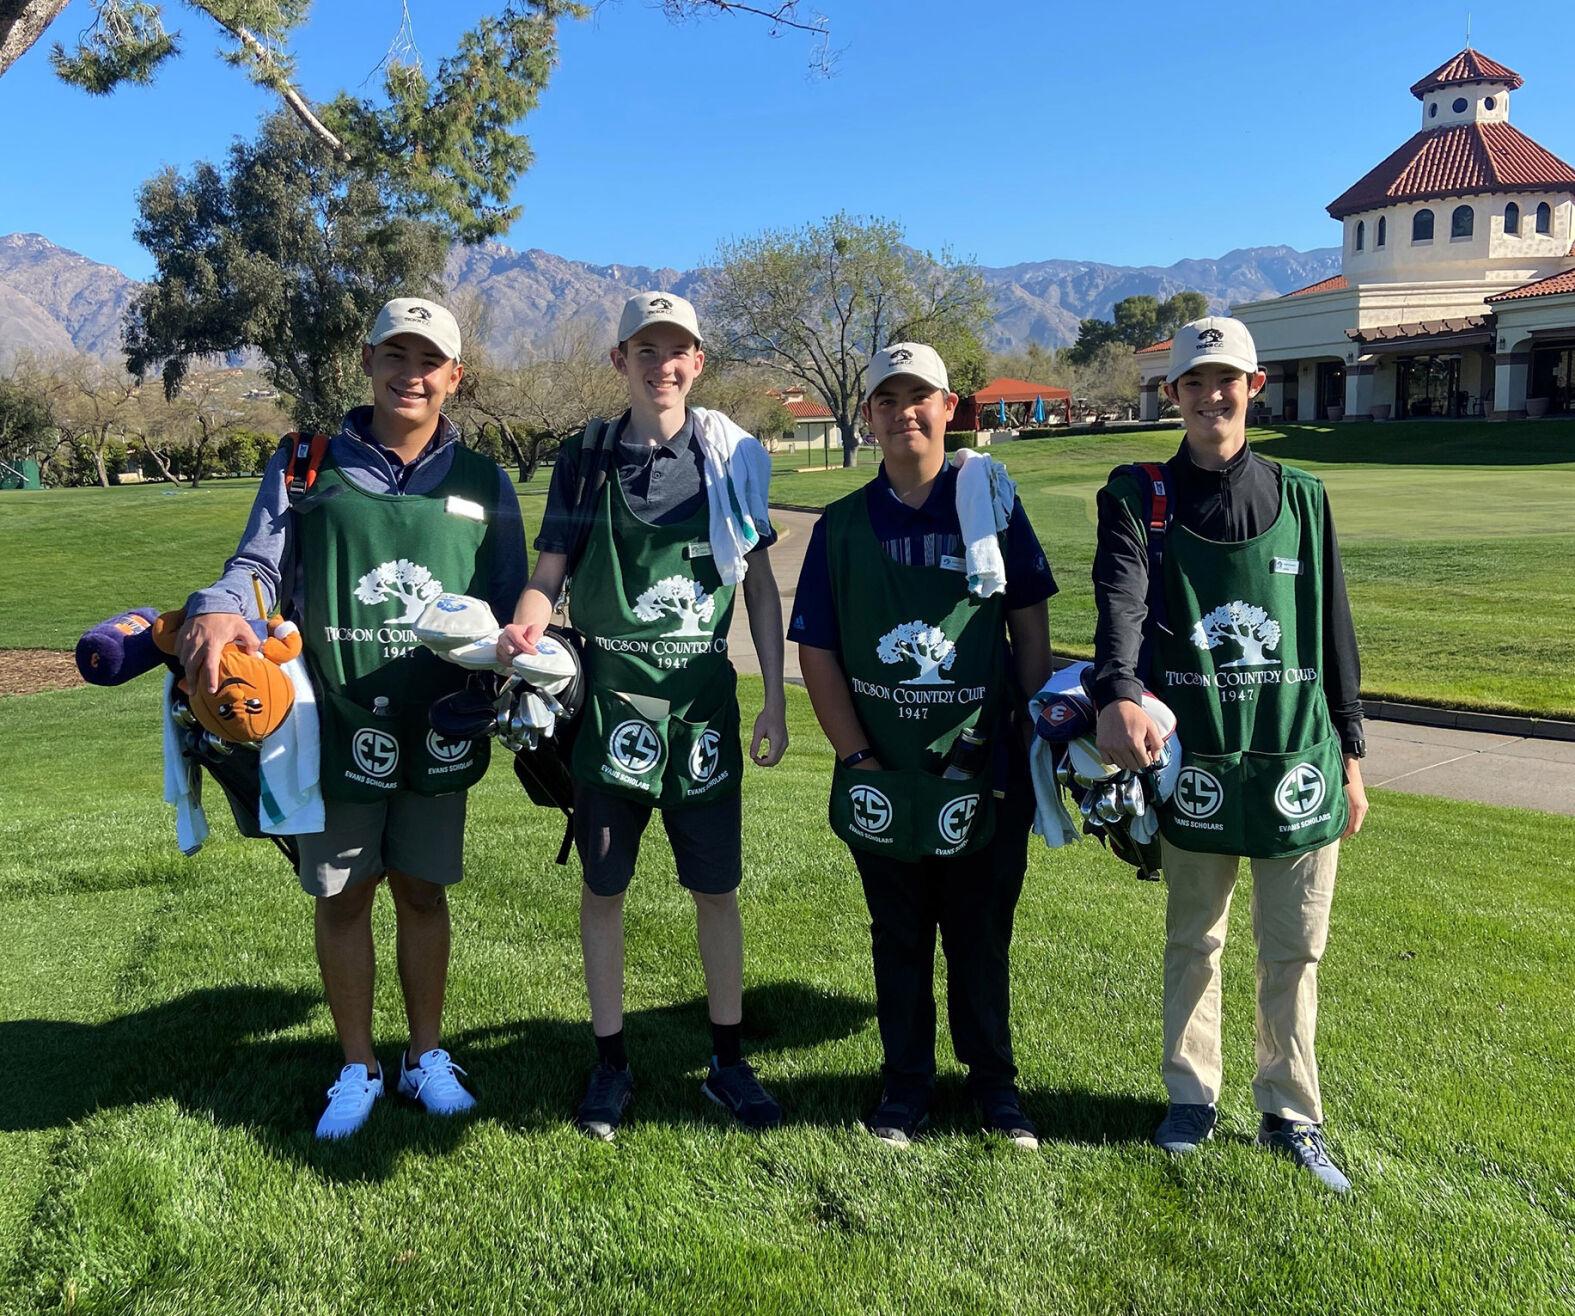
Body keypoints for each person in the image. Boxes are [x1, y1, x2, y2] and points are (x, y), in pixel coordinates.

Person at [179, 298, 526, 1139]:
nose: (411, 374)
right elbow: (258, 565)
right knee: (341, 897)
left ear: (455, 376)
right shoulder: (306, 463)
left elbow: (514, 598)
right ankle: (358, 1065)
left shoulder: (485, 480)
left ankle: (427, 1056)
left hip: (441, 724)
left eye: (428, 360)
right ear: (366, 361)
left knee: (422, 892)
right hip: (331, 720)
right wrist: (221, 608)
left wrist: (524, 654)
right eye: (395, 356)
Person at [497, 292, 788, 1139]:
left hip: (701, 712)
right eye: (645, 348)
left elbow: (759, 587)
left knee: (716, 890)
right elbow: (549, 569)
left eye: (678, 350)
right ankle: (610, 1065)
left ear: (697, 363)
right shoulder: (584, 460)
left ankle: (728, 1063)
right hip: (609, 712)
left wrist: (771, 692)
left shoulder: (730, 460)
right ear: (618, 361)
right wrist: (525, 621)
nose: (662, 364)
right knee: (602, 889)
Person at [1092, 316, 1369, 1193]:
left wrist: (1352, 756)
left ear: (1255, 388)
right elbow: (1120, 603)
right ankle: (1189, 1097)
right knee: (1193, 941)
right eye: (1194, 382)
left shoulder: (1303, 496)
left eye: (1228, 381)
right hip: (1197, 766)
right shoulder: (1138, 495)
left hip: (1298, 760)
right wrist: (1120, 691)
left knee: (1292, 951)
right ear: (1170, 395)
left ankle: (1290, 1112)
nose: (1212, 396)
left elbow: (1332, 634)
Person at [790, 343, 1056, 1148]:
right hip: (885, 773)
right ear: (867, 416)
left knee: (980, 934)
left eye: (920, 397)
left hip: (981, 773)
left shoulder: (993, 508)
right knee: (897, 934)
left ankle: (994, 1089)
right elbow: (819, 651)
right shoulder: (838, 527)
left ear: (948, 408)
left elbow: (1029, 631)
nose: (904, 411)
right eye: (887, 398)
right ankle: (904, 1086)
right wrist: (854, 756)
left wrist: (1028, 730)